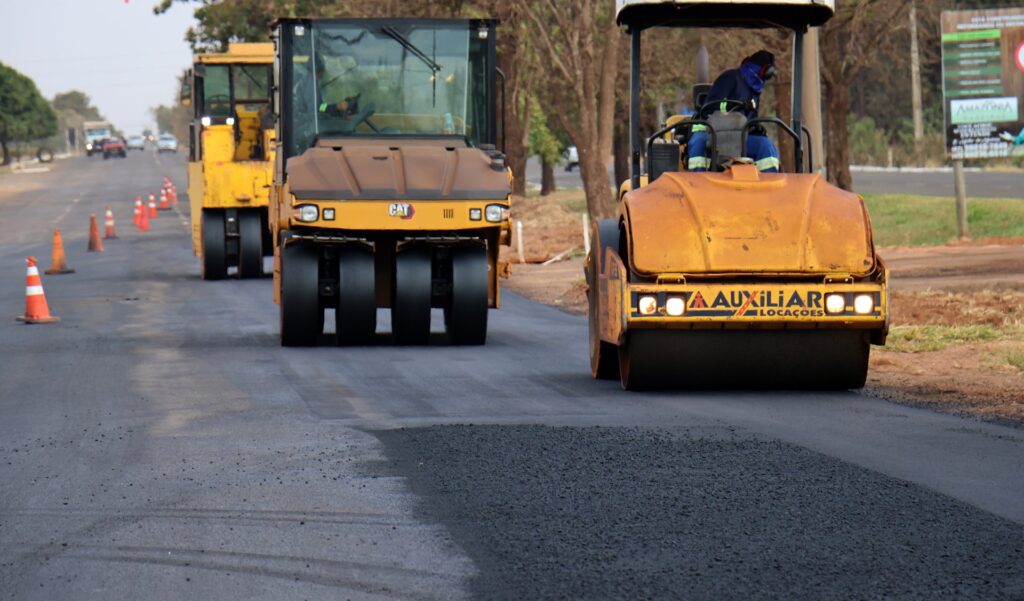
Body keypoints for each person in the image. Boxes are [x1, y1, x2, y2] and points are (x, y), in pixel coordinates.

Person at [686, 50, 780, 173]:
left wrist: (753, 126)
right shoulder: (729, 78)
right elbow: (709, 108)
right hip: (711, 131)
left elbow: (751, 117)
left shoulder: (755, 90)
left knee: (765, 146)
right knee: (699, 144)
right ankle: (696, 185)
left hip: (741, 137)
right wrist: (733, 111)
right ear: (765, 71)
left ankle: (769, 188)